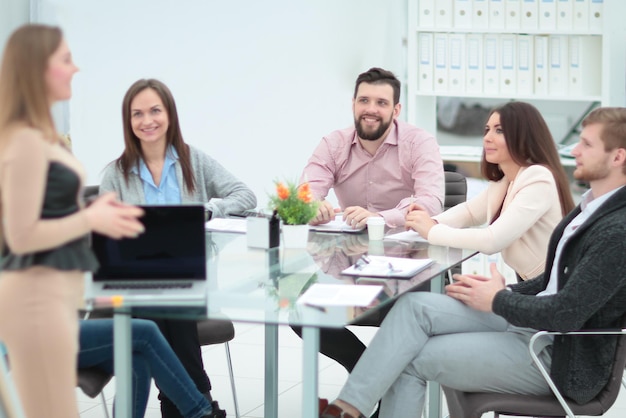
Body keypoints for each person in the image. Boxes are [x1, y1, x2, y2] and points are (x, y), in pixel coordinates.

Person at [320, 107, 626, 418]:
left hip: (555, 352)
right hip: (530, 317)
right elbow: (550, 282)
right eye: (486, 129)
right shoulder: (587, 208)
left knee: (408, 357)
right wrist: (427, 225)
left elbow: (565, 312)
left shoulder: (614, 229)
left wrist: (499, 299)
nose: (574, 150)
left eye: (586, 144)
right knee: (414, 308)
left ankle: (349, 409)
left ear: (618, 157)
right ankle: (349, 407)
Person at [0, 24, 145, 418]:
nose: (76, 68)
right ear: (37, 69)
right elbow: (22, 234)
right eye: (65, 60)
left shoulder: (38, 136)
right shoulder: (25, 142)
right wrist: (90, 216)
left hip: (51, 297)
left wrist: (95, 218)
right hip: (33, 299)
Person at [100, 78, 256, 417]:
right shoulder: (115, 174)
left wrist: (208, 209)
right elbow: (104, 241)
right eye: (137, 113)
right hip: (134, 288)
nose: (147, 120)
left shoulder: (192, 160)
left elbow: (245, 196)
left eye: (155, 110)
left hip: (190, 283)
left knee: (172, 296)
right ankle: (200, 402)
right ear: (128, 122)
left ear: (169, 114)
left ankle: (185, 404)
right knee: (162, 300)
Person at [406, 101, 575, 280]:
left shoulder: (538, 178)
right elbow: (470, 212)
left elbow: (492, 240)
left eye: (499, 130)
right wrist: (427, 222)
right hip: (531, 285)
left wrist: (432, 231)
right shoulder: (505, 180)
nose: (487, 137)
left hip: (551, 288)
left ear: (523, 137)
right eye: (487, 130)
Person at [302, 67, 444, 230]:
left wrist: (379, 218)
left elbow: (432, 202)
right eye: (363, 100)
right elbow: (306, 190)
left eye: (381, 103)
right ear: (353, 104)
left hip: (406, 247)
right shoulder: (333, 144)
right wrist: (312, 206)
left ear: (396, 110)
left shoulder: (419, 143)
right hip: (350, 248)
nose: (370, 109)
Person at [78, 318, 225, 418]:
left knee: (137, 363)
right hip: (59, 332)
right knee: (146, 332)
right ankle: (198, 410)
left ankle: (187, 405)